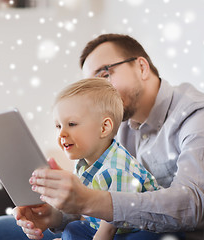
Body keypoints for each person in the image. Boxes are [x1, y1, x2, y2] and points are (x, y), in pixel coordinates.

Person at [0, 33, 204, 240]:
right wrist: (56, 215)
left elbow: (188, 206)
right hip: (122, 228)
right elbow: (104, 190)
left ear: (142, 67)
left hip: (174, 235)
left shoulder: (203, 117)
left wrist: (87, 200)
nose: (99, 90)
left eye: (105, 74)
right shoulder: (115, 123)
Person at [52, 78, 162, 239]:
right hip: (113, 227)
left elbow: (111, 223)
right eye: (58, 126)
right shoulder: (83, 163)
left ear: (104, 128)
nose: (61, 133)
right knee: (72, 229)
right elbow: (87, 213)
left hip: (142, 228)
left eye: (72, 123)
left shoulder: (116, 168)